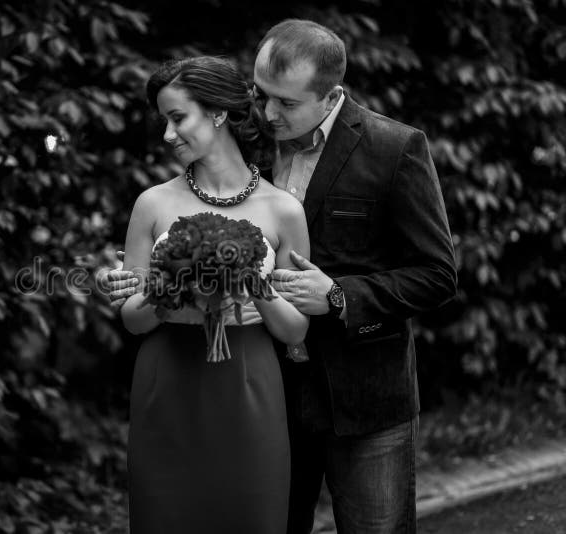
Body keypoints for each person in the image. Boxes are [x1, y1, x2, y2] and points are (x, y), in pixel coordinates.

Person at [106, 19, 457, 534]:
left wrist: (338, 294)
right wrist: (154, 275)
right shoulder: (245, 135)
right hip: (263, 392)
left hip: (358, 394)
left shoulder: (393, 148)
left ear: (329, 95)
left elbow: (436, 273)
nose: (268, 114)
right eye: (260, 95)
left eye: (286, 104)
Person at [120, 56, 310, 533]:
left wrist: (252, 282)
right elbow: (133, 320)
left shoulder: (284, 210)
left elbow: (295, 330)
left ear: (219, 113)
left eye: (177, 117)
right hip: (167, 380)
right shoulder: (153, 204)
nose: (167, 134)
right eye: (164, 120)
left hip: (249, 384)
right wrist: (175, 283)